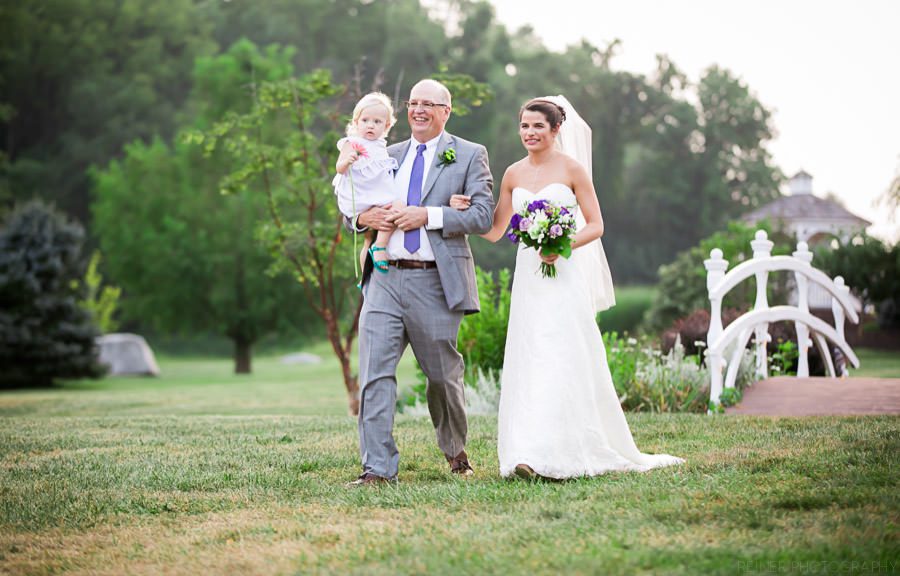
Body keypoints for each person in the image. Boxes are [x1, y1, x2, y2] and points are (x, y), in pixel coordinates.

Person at [458, 96, 684, 479]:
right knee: (530, 355)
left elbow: (596, 225)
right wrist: (464, 213)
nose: (529, 133)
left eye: (538, 126)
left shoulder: (572, 169)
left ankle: (560, 450)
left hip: (563, 275)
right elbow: (496, 230)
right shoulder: (512, 173)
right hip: (528, 279)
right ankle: (526, 452)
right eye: (524, 126)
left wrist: (561, 244)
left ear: (556, 129)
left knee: (560, 354)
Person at [346, 79, 495, 486]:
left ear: (447, 111)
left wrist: (429, 215)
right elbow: (353, 200)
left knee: (442, 377)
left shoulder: (469, 154)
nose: (419, 110)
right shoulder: (385, 153)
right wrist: (361, 218)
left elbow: (483, 215)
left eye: (429, 104)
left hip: (436, 282)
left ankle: (456, 452)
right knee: (374, 374)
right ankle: (378, 468)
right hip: (384, 278)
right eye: (413, 103)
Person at [333, 92, 400, 273]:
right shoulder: (351, 143)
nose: (370, 125)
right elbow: (339, 168)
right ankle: (365, 279)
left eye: (377, 122)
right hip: (361, 194)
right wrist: (347, 161)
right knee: (367, 238)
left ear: (386, 126)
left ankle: (380, 245)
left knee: (395, 210)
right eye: (365, 120)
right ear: (356, 122)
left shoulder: (381, 146)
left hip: (377, 193)